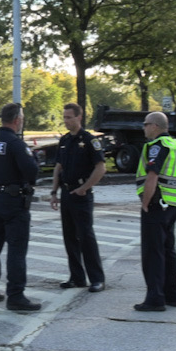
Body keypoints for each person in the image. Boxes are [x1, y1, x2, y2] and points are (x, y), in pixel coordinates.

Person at [0, 103, 41, 311]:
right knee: (16, 249)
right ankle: (15, 296)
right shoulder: (15, 144)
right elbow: (32, 173)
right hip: (13, 202)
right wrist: (35, 158)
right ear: (17, 120)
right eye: (21, 118)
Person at [49, 103, 107, 293]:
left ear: (79, 117)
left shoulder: (89, 141)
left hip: (81, 195)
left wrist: (84, 188)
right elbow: (58, 168)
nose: (66, 121)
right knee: (69, 237)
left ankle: (97, 279)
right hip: (66, 193)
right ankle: (76, 277)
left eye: (69, 117)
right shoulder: (65, 140)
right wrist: (53, 193)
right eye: (64, 117)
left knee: (86, 237)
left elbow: (101, 168)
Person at [134, 111, 176, 311]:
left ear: (155, 126)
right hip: (172, 204)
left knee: (152, 253)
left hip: (156, 203)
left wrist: (145, 202)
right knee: (168, 250)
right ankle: (172, 295)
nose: (143, 127)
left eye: (146, 124)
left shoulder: (156, 146)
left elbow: (152, 175)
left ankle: (155, 298)